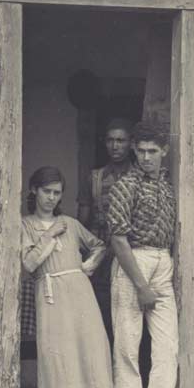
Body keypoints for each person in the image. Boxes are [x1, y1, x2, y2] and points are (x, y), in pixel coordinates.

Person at [21, 166, 112, 388]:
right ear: (34, 190)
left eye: (57, 193)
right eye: (46, 191)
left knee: (83, 357)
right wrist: (49, 237)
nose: (51, 198)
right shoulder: (25, 225)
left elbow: (99, 245)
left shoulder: (70, 223)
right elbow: (29, 265)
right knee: (59, 359)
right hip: (50, 295)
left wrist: (89, 266)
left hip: (79, 294)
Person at [106, 122, 179, 388]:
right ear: (135, 151)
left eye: (153, 151)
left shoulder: (167, 187)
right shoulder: (126, 186)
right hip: (133, 263)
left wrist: (162, 274)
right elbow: (118, 239)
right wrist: (141, 285)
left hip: (163, 262)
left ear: (164, 152)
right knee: (127, 348)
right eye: (142, 151)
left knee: (166, 350)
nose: (147, 157)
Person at [78, 118, 134, 336]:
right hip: (102, 253)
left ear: (130, 143)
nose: (115, 146)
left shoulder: (140, 176)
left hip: (131, 250)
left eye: (121, 140)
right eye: (110, 140)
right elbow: (83, 219)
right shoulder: (95, 178)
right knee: (103, 311)